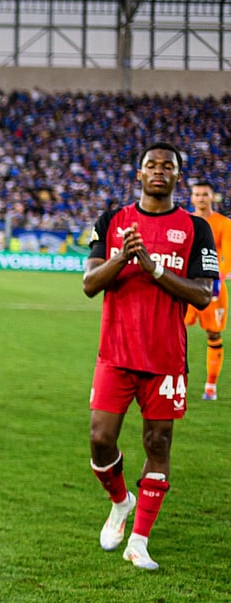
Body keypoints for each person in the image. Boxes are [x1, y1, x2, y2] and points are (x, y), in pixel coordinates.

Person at [83, 141, 218, 570]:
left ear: (178, 176)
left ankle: (139, 541)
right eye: (150, 165)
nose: (159, 171)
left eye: (168, 166)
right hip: (115, 354)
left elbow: (202, 293)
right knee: (100, 439)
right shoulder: (112, 221)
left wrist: (154, 268)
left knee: (157, 444)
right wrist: (124, 255)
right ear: (138, 174)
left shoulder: (196, 229)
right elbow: (89, 283)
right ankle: (121, 501)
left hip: (165, 359)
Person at [184, 181, 231, 400]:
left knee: (214, 334)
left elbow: (228, 255)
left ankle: (210, 386)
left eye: (205, 194)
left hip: (213, 286)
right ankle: (171, 378)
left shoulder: (224, 224)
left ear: (212, 197)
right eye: (197, 194)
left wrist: (217, 278)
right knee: (173, 329)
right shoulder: (185, 221)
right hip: (185, 285)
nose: (201, 198)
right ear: (192, 198)